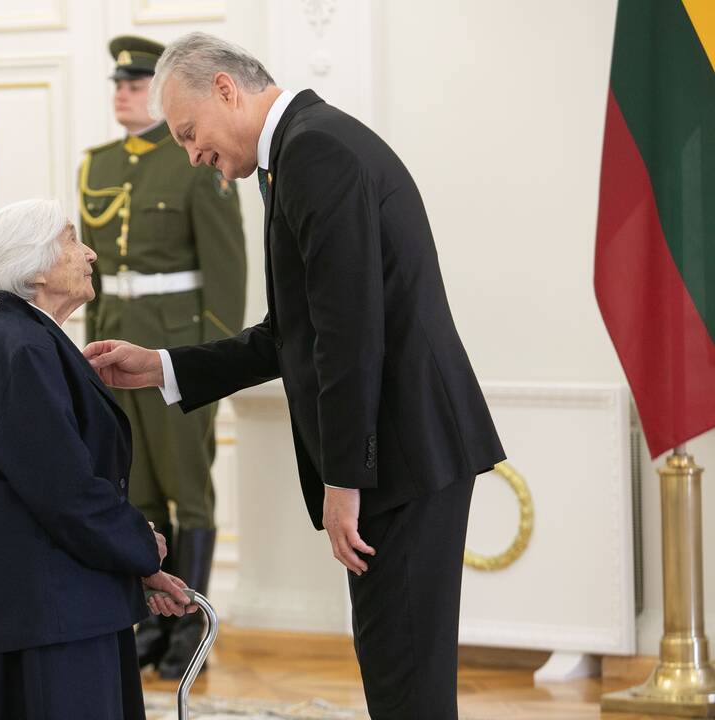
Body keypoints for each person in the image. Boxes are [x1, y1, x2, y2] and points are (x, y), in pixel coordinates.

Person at [85, 33, 506, 719]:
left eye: (190, 133)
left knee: (405, 679)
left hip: (402, 454)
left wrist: (346, 482)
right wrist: (163, 365)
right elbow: (292, 335)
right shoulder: (295, 154)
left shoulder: (314, 152)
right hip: (406, 450)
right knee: (398, 672)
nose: (191, 155)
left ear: (226, 88)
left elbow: (348, 337)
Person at [0, 198, 195, 720]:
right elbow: (66, 491)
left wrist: (139, 565)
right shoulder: (18, 349)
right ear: (34, 268)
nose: (89, 253)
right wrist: (141, 547)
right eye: (70, 239)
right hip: (50, 619)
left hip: (65, 609)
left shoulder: (29, 340)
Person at [79, 34, 247, 678]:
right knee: (135, 489)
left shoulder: (193, 162)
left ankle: (193, 627)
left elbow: (226, 275)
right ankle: (151, 623)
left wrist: (207, 360)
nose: (121, 90)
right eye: (116, 82)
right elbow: (94, 269)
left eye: (134, 82)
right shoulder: (95, 165)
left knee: (187, 492)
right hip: (118, 340)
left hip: (177, 348)